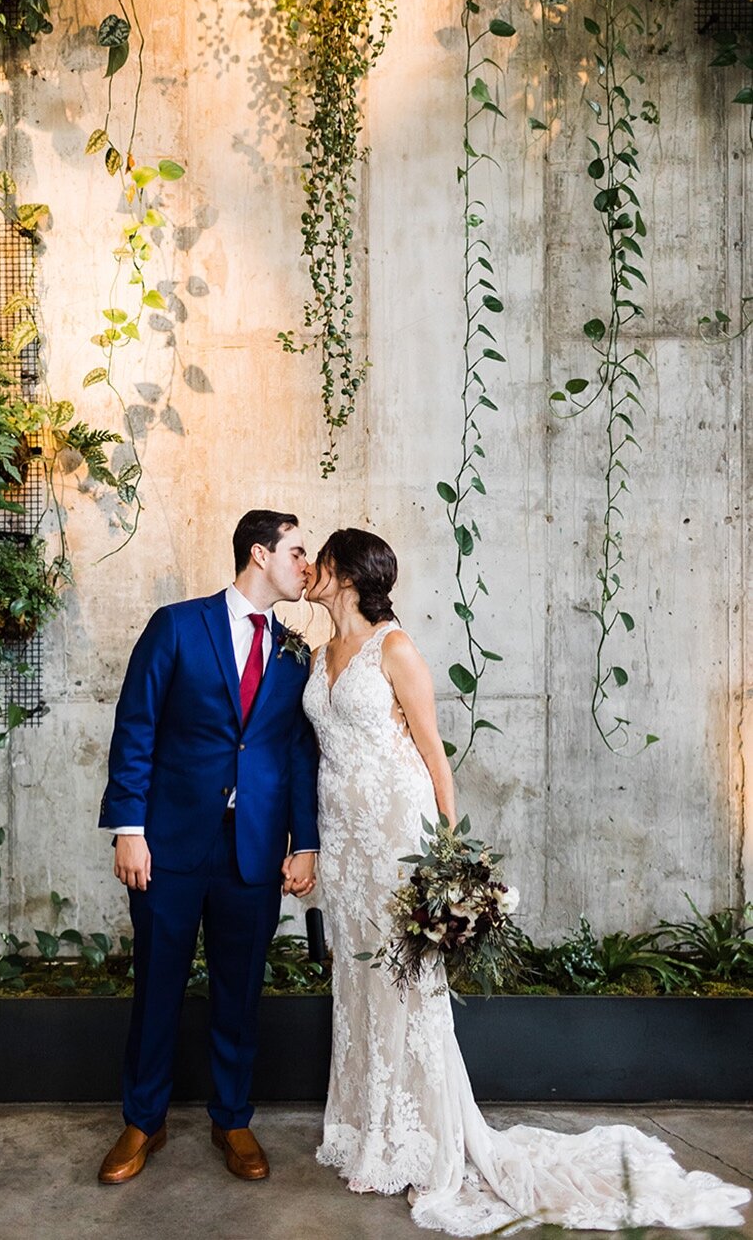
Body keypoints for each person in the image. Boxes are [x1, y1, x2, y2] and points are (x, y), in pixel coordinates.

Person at [303, 526, 750, 1234]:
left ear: (346, 572)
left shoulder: (396, 648)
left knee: (407, 986)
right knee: (357, 981)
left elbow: (433, 756)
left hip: (394, 834)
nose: (310, 571)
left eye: (319, 561)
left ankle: (422, 1137)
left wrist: (447, 861)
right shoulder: (319, 650)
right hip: (344, 844)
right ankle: (365, 1129)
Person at [97, 510, 319, 1186]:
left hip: (253, 852)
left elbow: (294, 753)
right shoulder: (176, 625)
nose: (306, 566)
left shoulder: (295, 652)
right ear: (260, 554)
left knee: (239, 991)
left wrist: (304, 843)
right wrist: (129, 828)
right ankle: (144, 1120)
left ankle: (233, 1117)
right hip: (168, 845)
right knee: (157, 985)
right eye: (297, 552)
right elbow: (136, 724)